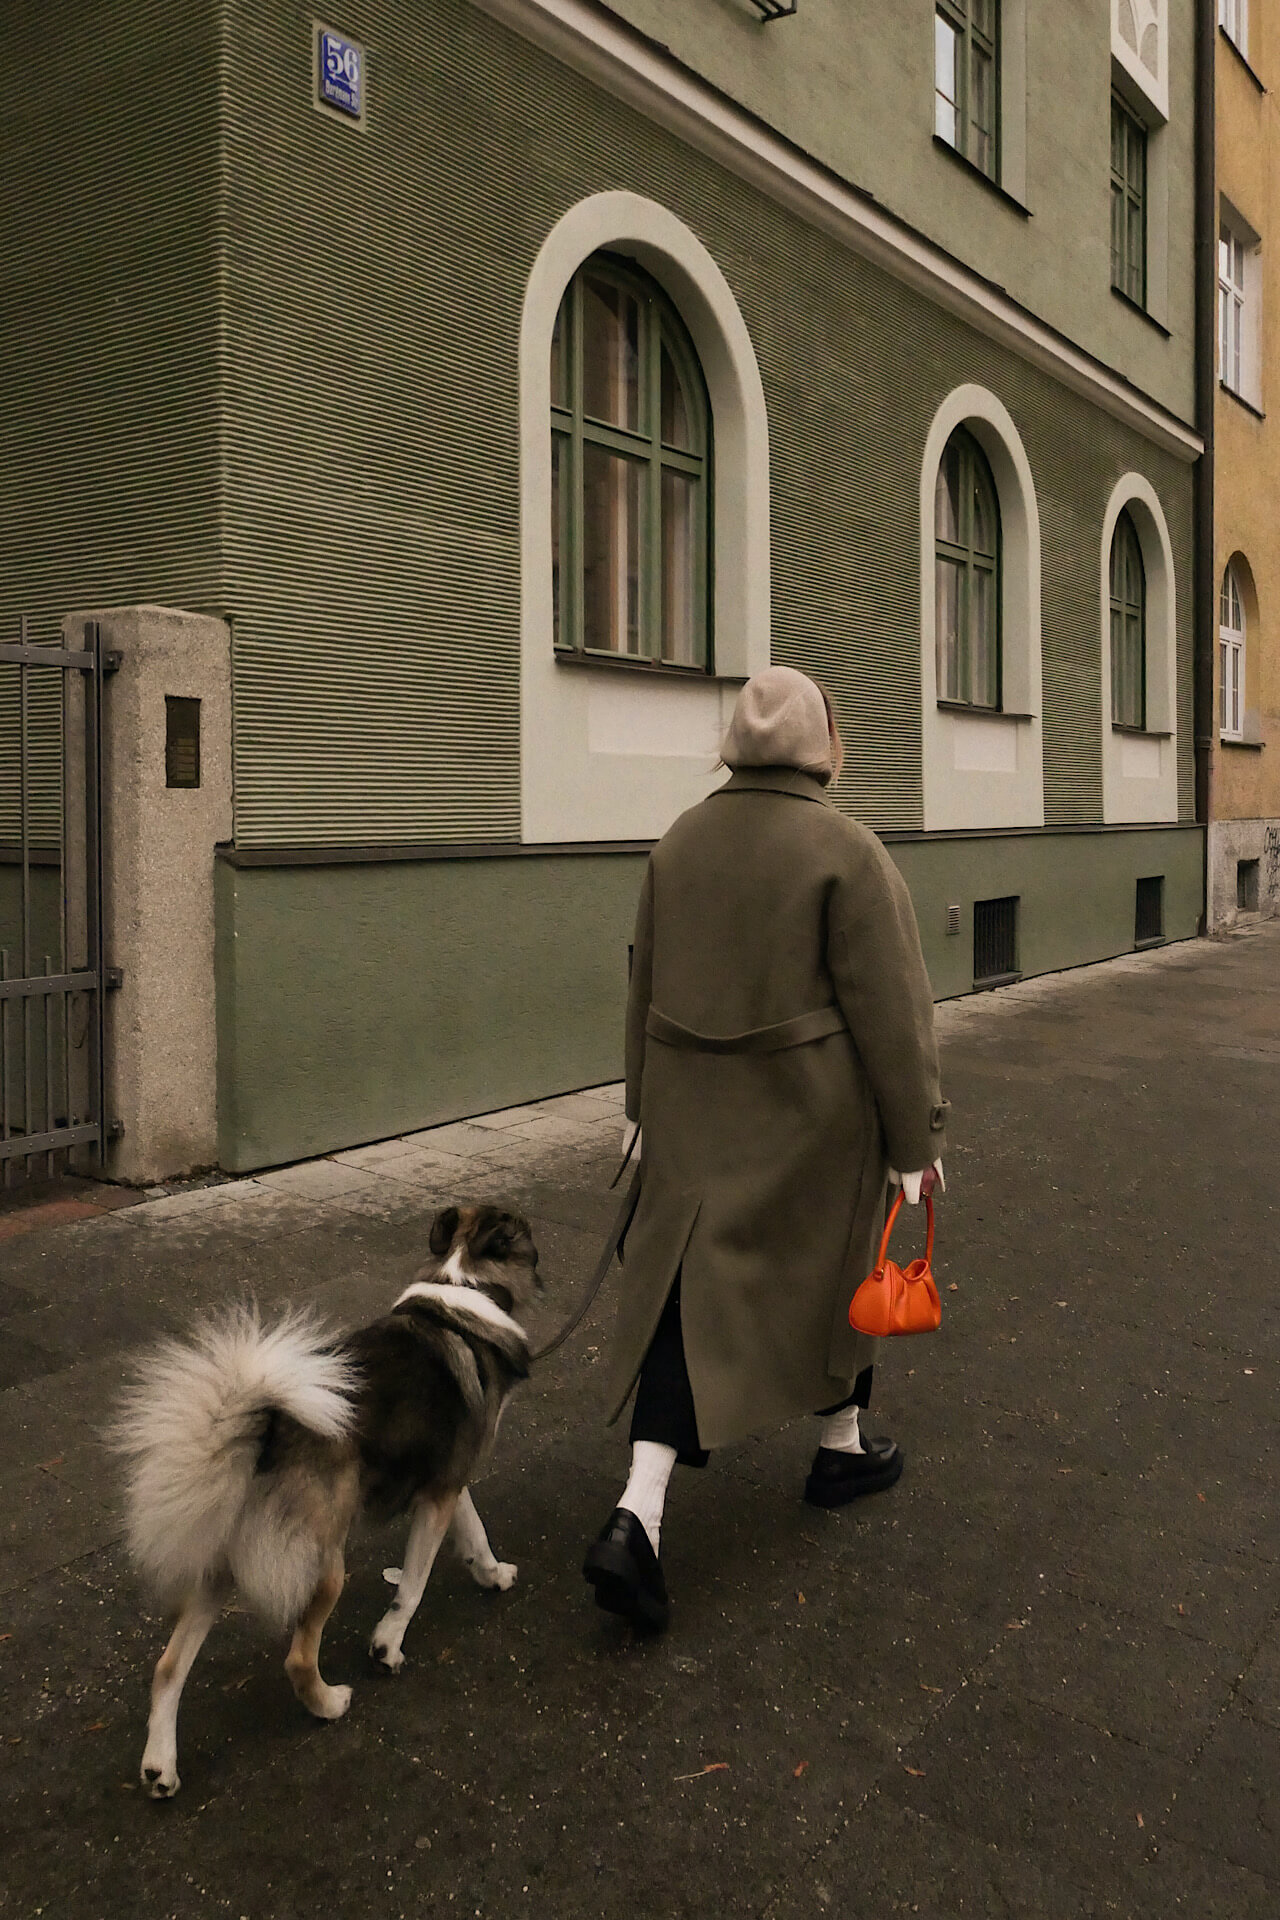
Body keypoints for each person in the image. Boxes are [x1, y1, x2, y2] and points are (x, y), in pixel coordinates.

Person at [582, 665, 948, 1633]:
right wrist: (915, 1140)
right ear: (824, 747)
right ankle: (837, 1446)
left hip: (692, 1116)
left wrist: (639, 1102)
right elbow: (892, 1012)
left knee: (675, 1296)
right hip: (808, 1121)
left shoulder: (679, 840)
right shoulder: (847, 851)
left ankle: (640, 1511)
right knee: (840, 1269)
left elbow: (641, 981)